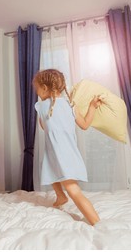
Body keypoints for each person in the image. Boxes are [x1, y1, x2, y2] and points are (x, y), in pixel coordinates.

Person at [33, 69, 102, 226]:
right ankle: (60, 196)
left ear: (44, 88)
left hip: (61, 154)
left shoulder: (41, 106)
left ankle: (97, 222)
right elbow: (84, 124)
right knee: (49, 169)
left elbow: (43, 126)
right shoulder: (71, 105)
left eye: (37, 88)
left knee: (74, 191)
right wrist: (92, 107)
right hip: (63, 153)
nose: (36, 92)